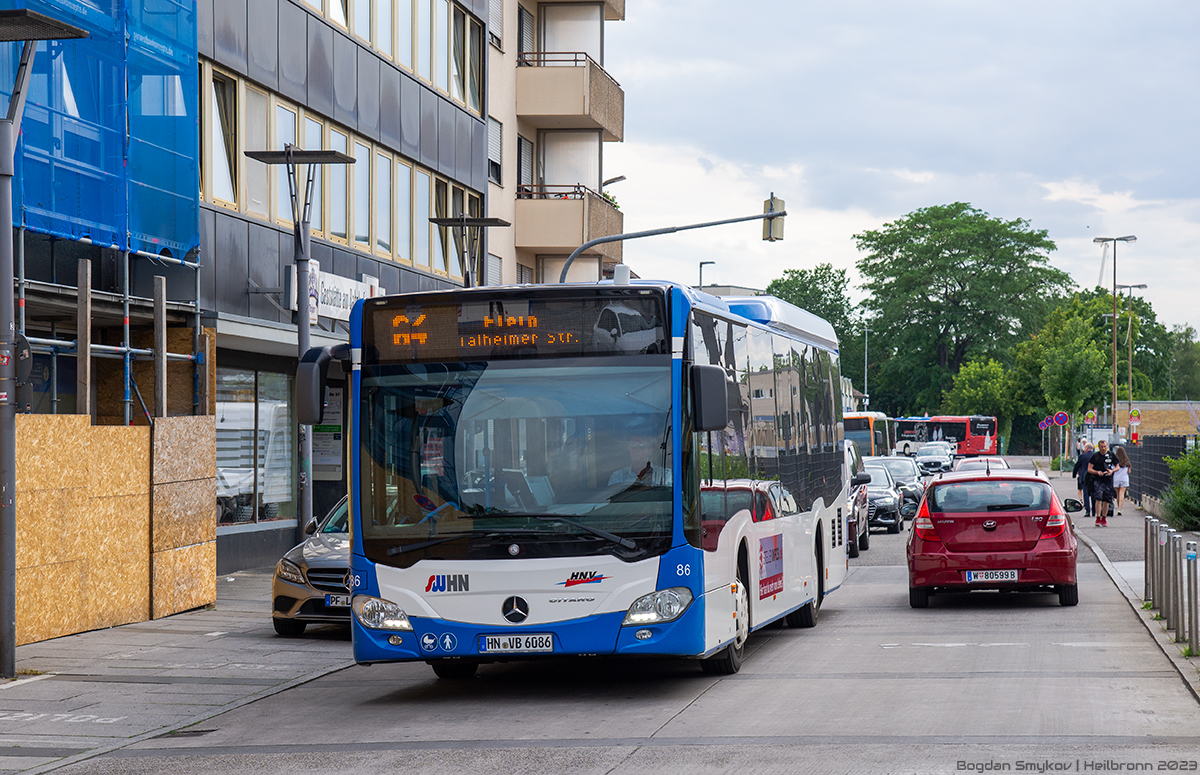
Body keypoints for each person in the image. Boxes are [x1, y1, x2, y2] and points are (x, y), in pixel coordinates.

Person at [1087, 439, 1119, 527]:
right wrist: (1097, 472)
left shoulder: (1111, 455)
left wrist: (1112, 471)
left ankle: (1104, 518)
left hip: (1108, 479)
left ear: (1107, 446)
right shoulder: (1095, 456)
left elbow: (1117, 466)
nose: (1103, 448)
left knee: (1106, 499)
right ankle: (1098, 517)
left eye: (1105, 446)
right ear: (1099, 447)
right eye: (1101, 447)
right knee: (1098, 498)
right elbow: (1089, 469)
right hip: (1097, 479)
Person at [1071, 442, 1094, 520]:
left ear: (1087, 448)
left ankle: (1087, 511)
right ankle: (1094, 510)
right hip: (1094, 477)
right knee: (1094, 494)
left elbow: (1076, 466)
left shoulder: (1082, 456)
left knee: (1086, 494)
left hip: (1084, 477)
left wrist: (1074, 475)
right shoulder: (1095, 456)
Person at [1113, 445, 1132, 515]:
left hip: (1116, 478)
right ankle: (1120, 508)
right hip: (1124, 479)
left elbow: (1113, 469)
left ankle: (1118, 507)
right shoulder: (1127, 462)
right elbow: (1129, 472)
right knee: (1122, 494)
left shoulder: (1115, 461)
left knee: (1118, 494)